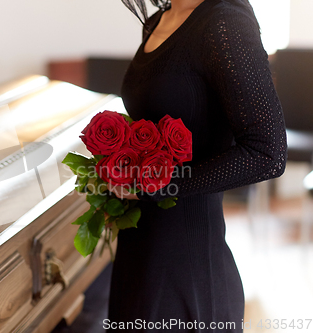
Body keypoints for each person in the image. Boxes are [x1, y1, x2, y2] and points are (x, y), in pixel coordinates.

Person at [105, 0, 287, 331]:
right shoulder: (160, 19)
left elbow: (268, 153)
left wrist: (158, 184)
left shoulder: (224, 22)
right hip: (138, 249)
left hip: (186, 261)